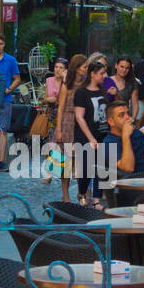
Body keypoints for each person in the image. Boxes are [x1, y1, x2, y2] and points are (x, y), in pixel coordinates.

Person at [72, 59, 110, 206]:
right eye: (101, 73)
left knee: (102, 168)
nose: (104, 76)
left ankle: (96, 199)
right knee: (86, 169)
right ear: (93, 74)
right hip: (85, 136)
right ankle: (82, 194)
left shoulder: (102, 91)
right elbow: (79, 117)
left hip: (102, 133)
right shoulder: (81, 92)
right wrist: (90, 138)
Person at [52, 54, 88, 200]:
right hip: (67, 122)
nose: (86, 69)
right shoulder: (67, 85)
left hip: (81, 123)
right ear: (77, 68)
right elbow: (60, 108)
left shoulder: (86, 85)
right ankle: (65, 193)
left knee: (80, 160)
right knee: (66, 160)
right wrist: (58, 129)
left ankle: (82, 192)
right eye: (84, 66)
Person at [0, 33, 20, 171]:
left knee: (3, 130)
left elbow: (17, 78)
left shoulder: (11, 60)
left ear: (4, 45)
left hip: (6, 98)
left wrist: (9, 88)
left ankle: (1, 160)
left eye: (1, 44)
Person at [100, 100, 144, 179]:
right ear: (111, 121)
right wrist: (125, 136)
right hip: (141, 183)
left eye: (128, 113)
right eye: (121, 115)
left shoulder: (136, 133)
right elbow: (128, 168)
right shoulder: (109, 142)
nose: (128, 117)